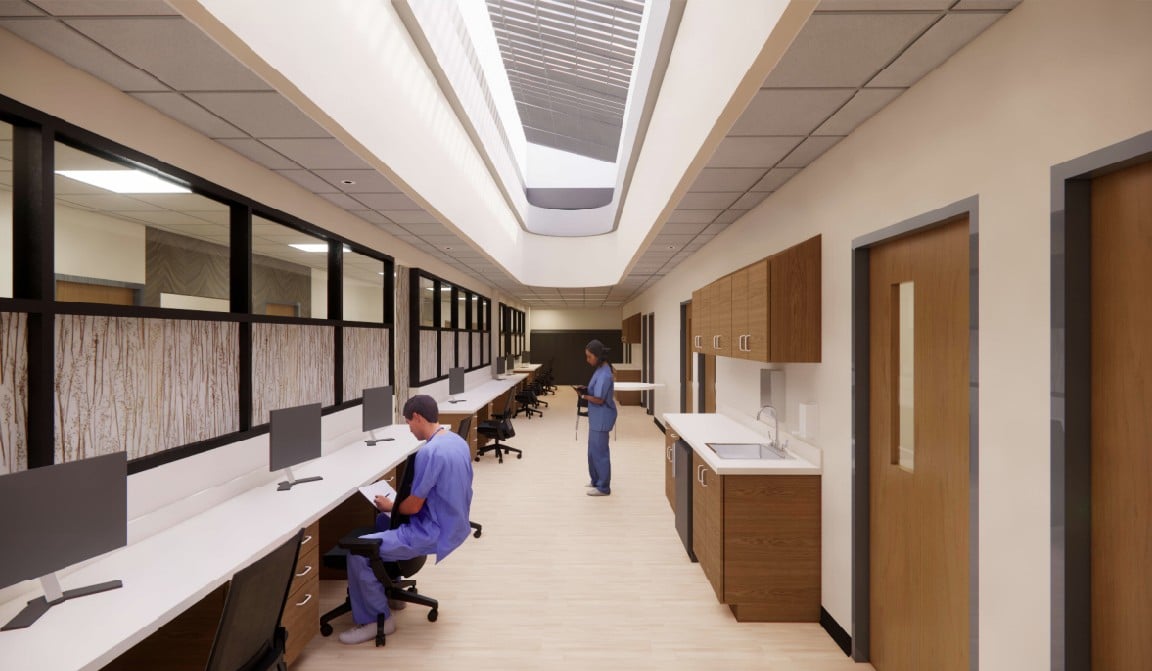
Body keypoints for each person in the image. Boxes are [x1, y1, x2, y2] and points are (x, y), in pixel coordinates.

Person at [339, 394, 474, 645]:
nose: (409, 428)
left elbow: (412, 507)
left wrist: (391, 504)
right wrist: (392, 510)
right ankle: (393, 593)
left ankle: (377, 620)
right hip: (453, 522)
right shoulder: (455, 441)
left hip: (431, 530)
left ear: (418, 417)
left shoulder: (429, 453)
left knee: (359, 552)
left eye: (408, 422)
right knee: (383, 522)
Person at [578, 339, 617, 496]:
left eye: (589, 357)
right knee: (592, 451)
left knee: (600, 452)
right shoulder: (600, 369)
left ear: (598, 356)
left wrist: (584, 395)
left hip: (602, 417)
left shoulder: (605, 374)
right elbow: (596, 390)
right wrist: (586, 390)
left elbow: (600, 399)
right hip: (596, 417)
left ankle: (603, 487)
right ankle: (595, 480)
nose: (588, 360)